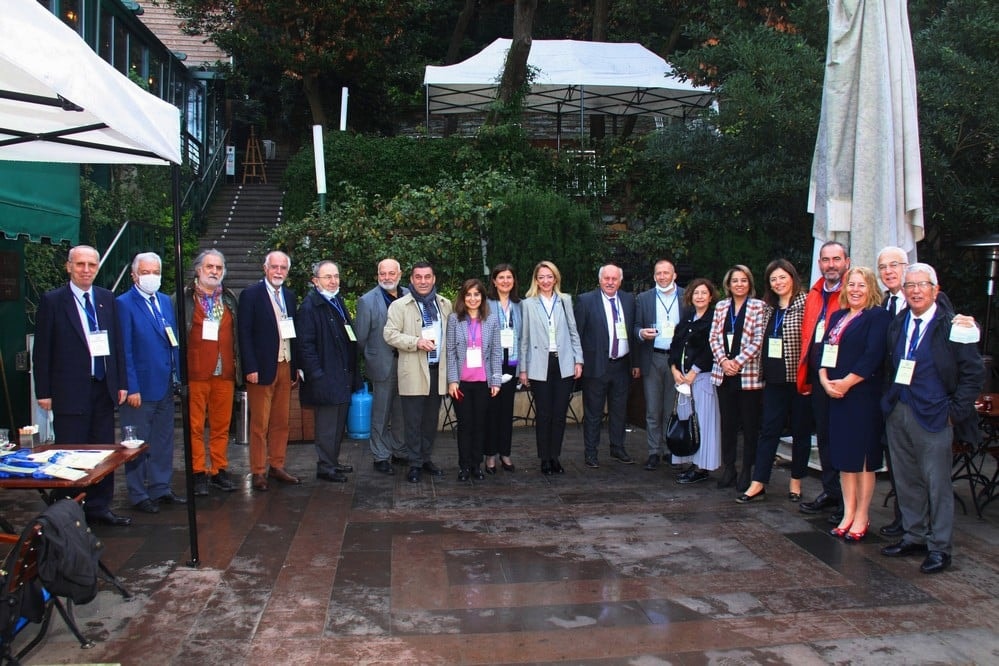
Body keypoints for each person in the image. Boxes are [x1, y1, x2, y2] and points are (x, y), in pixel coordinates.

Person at [881, 263, 984, 574]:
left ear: (935, 290)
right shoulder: (899, 322)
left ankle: (940, 547)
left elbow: (973, 373)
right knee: (906, 479)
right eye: (909, 285)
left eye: (922, 285)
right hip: (899, 410)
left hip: (936, 415)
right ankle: (914, 536)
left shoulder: (953, 325)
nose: (915, 290)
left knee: (936, 484)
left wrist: (955, 412)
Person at [32, 245, 130, 526]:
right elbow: (43, 350)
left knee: (103, 453)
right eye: (80, 265)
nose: (86, 270)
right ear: (69, 267)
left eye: (91, 265)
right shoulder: (53, 301)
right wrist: (44, 391)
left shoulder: (106, 299)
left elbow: (116, 345)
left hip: (102, 387)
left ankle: (99, 506)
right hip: (68, 390)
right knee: (72, 453)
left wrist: (120, 381)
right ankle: (70, 512)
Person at [818, 267, 890, 541]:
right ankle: (848, 512)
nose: (856, 290)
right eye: (851, 285)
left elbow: (872, 355)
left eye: (861, 285)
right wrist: (825, 381)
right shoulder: (837, 316)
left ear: (870, 288)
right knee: (845, 460)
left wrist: (846, 383)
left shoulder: (877, 317)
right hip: (836, 396)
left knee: (862, 461)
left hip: (862, 397)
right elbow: (824, 352)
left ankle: (862, 515)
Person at [737, 259, 809, 504]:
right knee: (768, 431)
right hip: (773, 379)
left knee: (801, 432)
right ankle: (759, 482)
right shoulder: (767, 308)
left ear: (792, 277)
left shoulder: (806, 304)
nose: (778, 283)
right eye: (773, 279)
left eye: (782, 277)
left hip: (799, 380)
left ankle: (796, 482)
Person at [117, 252, 184, 514]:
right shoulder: (123, 303)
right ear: (134, 275)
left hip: (166, 383)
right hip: (141, 388)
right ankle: (138, 493)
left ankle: (160, 487)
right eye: (145, 272)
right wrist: (131, 386)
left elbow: (172, 338)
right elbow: (125, 349)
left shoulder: (165, 301)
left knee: (164, 440)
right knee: (136, 443)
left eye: (155, 271)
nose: (151, 277)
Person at [384, 262, 452, 483]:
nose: (423, 281)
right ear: (411, 280)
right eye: (418, 277)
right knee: (412, 421)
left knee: (431, 420)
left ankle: (425, 459)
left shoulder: (444, 304)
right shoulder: (400, 305)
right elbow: (390, 335)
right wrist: (416, 342)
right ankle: (414, 463)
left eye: (427, 277)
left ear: (434, 279)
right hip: (413, 370)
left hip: (437, 371)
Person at [237, 250, 299, 492]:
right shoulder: (251, 295)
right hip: (261, 368)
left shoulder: (290, 296)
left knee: (281, 421)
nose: (279, 272)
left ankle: (277, 464)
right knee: (259, 423)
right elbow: (244, 334)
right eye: (274, 267)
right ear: (265, 268)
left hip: (285, 364)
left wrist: (296, 367)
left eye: (283, 267)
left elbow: (294, 333)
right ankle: (258, 470)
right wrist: (249, 367)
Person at [180, 249, 240, 496]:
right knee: (194, 426)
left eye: (218, 268)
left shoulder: (229, 298)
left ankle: (218, 469)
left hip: (224, 371)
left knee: (221, 425)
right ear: (198, 270)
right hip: (196, 372)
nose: (214, 271)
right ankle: (197, 472)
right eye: (209, 267)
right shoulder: (184, 298)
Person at [797, 241, 849, 518]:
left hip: (843, 378)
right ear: (819, 264)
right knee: (825, 437)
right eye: (826, 260)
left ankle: (846, 500)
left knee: (842, 438)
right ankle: (831, 491)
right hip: (818, 375)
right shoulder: (815, 294)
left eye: (836, 259)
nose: (831, 264)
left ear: (846, 262)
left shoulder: (852, 292)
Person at [296, 260, 359, 483]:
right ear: (315, 281)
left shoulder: (336, 301)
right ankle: (325, 466)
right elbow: (305, 346)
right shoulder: (310, 307)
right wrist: (317, 376)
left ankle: (333, 461)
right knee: (326, 426)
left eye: (336, 276)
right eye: (327, 277)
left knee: (338, 423)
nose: (333, 281)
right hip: (325, 377)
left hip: (341, 374)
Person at [518, 261, 583, 474]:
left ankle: (555, 456)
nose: (546, 281)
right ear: (536, 280)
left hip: (563, 362)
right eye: (541, 277)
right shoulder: (527, 304)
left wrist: (578, 360)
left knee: (559, 413)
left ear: (556, 278)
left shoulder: (565, 300)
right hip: (539, 363)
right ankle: (544, 458)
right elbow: (524, 339)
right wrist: (523, 369)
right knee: (544, 413)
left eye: (549, 276)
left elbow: (574, 332)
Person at [575, 264, 639, 467]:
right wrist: (579, 362)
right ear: (600, 280)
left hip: (622, 365)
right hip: (595, 366)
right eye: (606, 278)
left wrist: (635, 363)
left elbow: (632, 331)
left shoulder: (629, 300)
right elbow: (577, 333)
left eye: (614, 279)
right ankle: (591, 452)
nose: (610, 282)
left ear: (620, 281)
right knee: (593, 412)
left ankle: (617, 448)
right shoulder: (585, 300)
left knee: (619, 410)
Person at [709, 265, 766, 491]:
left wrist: (738, 361)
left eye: (743, 280)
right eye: (735, 281)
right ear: (728, 285)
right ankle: (729, 467)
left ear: (750, 283)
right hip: (724, 374)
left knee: (750, 426)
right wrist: (724, 361)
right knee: (728, 424)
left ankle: (747, 471)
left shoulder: (758, 306)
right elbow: (713, 337)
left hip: (748, 375)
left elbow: (759, 338)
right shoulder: (722, 306)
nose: (739, 284)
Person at [355, 258, 409, 475]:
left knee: (401, 412)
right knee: (381, 412)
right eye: (382, 273)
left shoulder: (409, 295)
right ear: (377, 275)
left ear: (400, 274)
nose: (387, 277)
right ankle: (380, 455)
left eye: (391, 273)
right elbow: (360, 337)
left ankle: (399, 450)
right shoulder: (367, 301)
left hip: (407, 364)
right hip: (382, 365)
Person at [446, 279, 502, 481]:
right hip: (461, 384)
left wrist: (496, 381)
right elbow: (450, 352)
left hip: (483, 383)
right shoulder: (454, 319)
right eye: (468, 294)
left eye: (476, 294)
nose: (472, 298)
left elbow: (496, 352)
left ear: (483, 297)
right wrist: (452, 381)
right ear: (463, 297)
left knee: (480, 424)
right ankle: (464, 466)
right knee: (465, 425)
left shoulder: (492, 320)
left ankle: (476, 465)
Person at [670, 278, 721, 484]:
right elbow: (675, 346)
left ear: (711, 296)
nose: (699, 296)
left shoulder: (714, 319)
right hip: (682, 379)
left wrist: (694, 371)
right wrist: (674, 368)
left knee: (703, 422)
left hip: (702, 378)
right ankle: (691, 461)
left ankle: (702, 467)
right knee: (687, 420)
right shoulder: (687, 318)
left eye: (703, 293)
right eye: (696, 293)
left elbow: (711, 349)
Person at [635, 259, 684, 471]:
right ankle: (653, 451)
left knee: (670, 408)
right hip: (652, 357)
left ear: (674, 275)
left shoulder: (686, 296)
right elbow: (635, 325)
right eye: (658, 273)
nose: (662, 276)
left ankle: (669, 450)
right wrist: (640, 333)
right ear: (654, 276)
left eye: (666, 273)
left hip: (677, 360)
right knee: (653, 409)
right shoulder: (644, 298)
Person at [485, 264, 522, 473]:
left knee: (507, 413)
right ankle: (490, 456)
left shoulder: (520, 305)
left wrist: (522, 369)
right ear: (494, 281)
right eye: (501, 277)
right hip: (492, 364)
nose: (505, 281)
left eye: (509, 277)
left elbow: (524, 337)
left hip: (512, 362)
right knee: (491, 412)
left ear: (514, 281)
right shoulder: (487, 304)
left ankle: (505, 454)